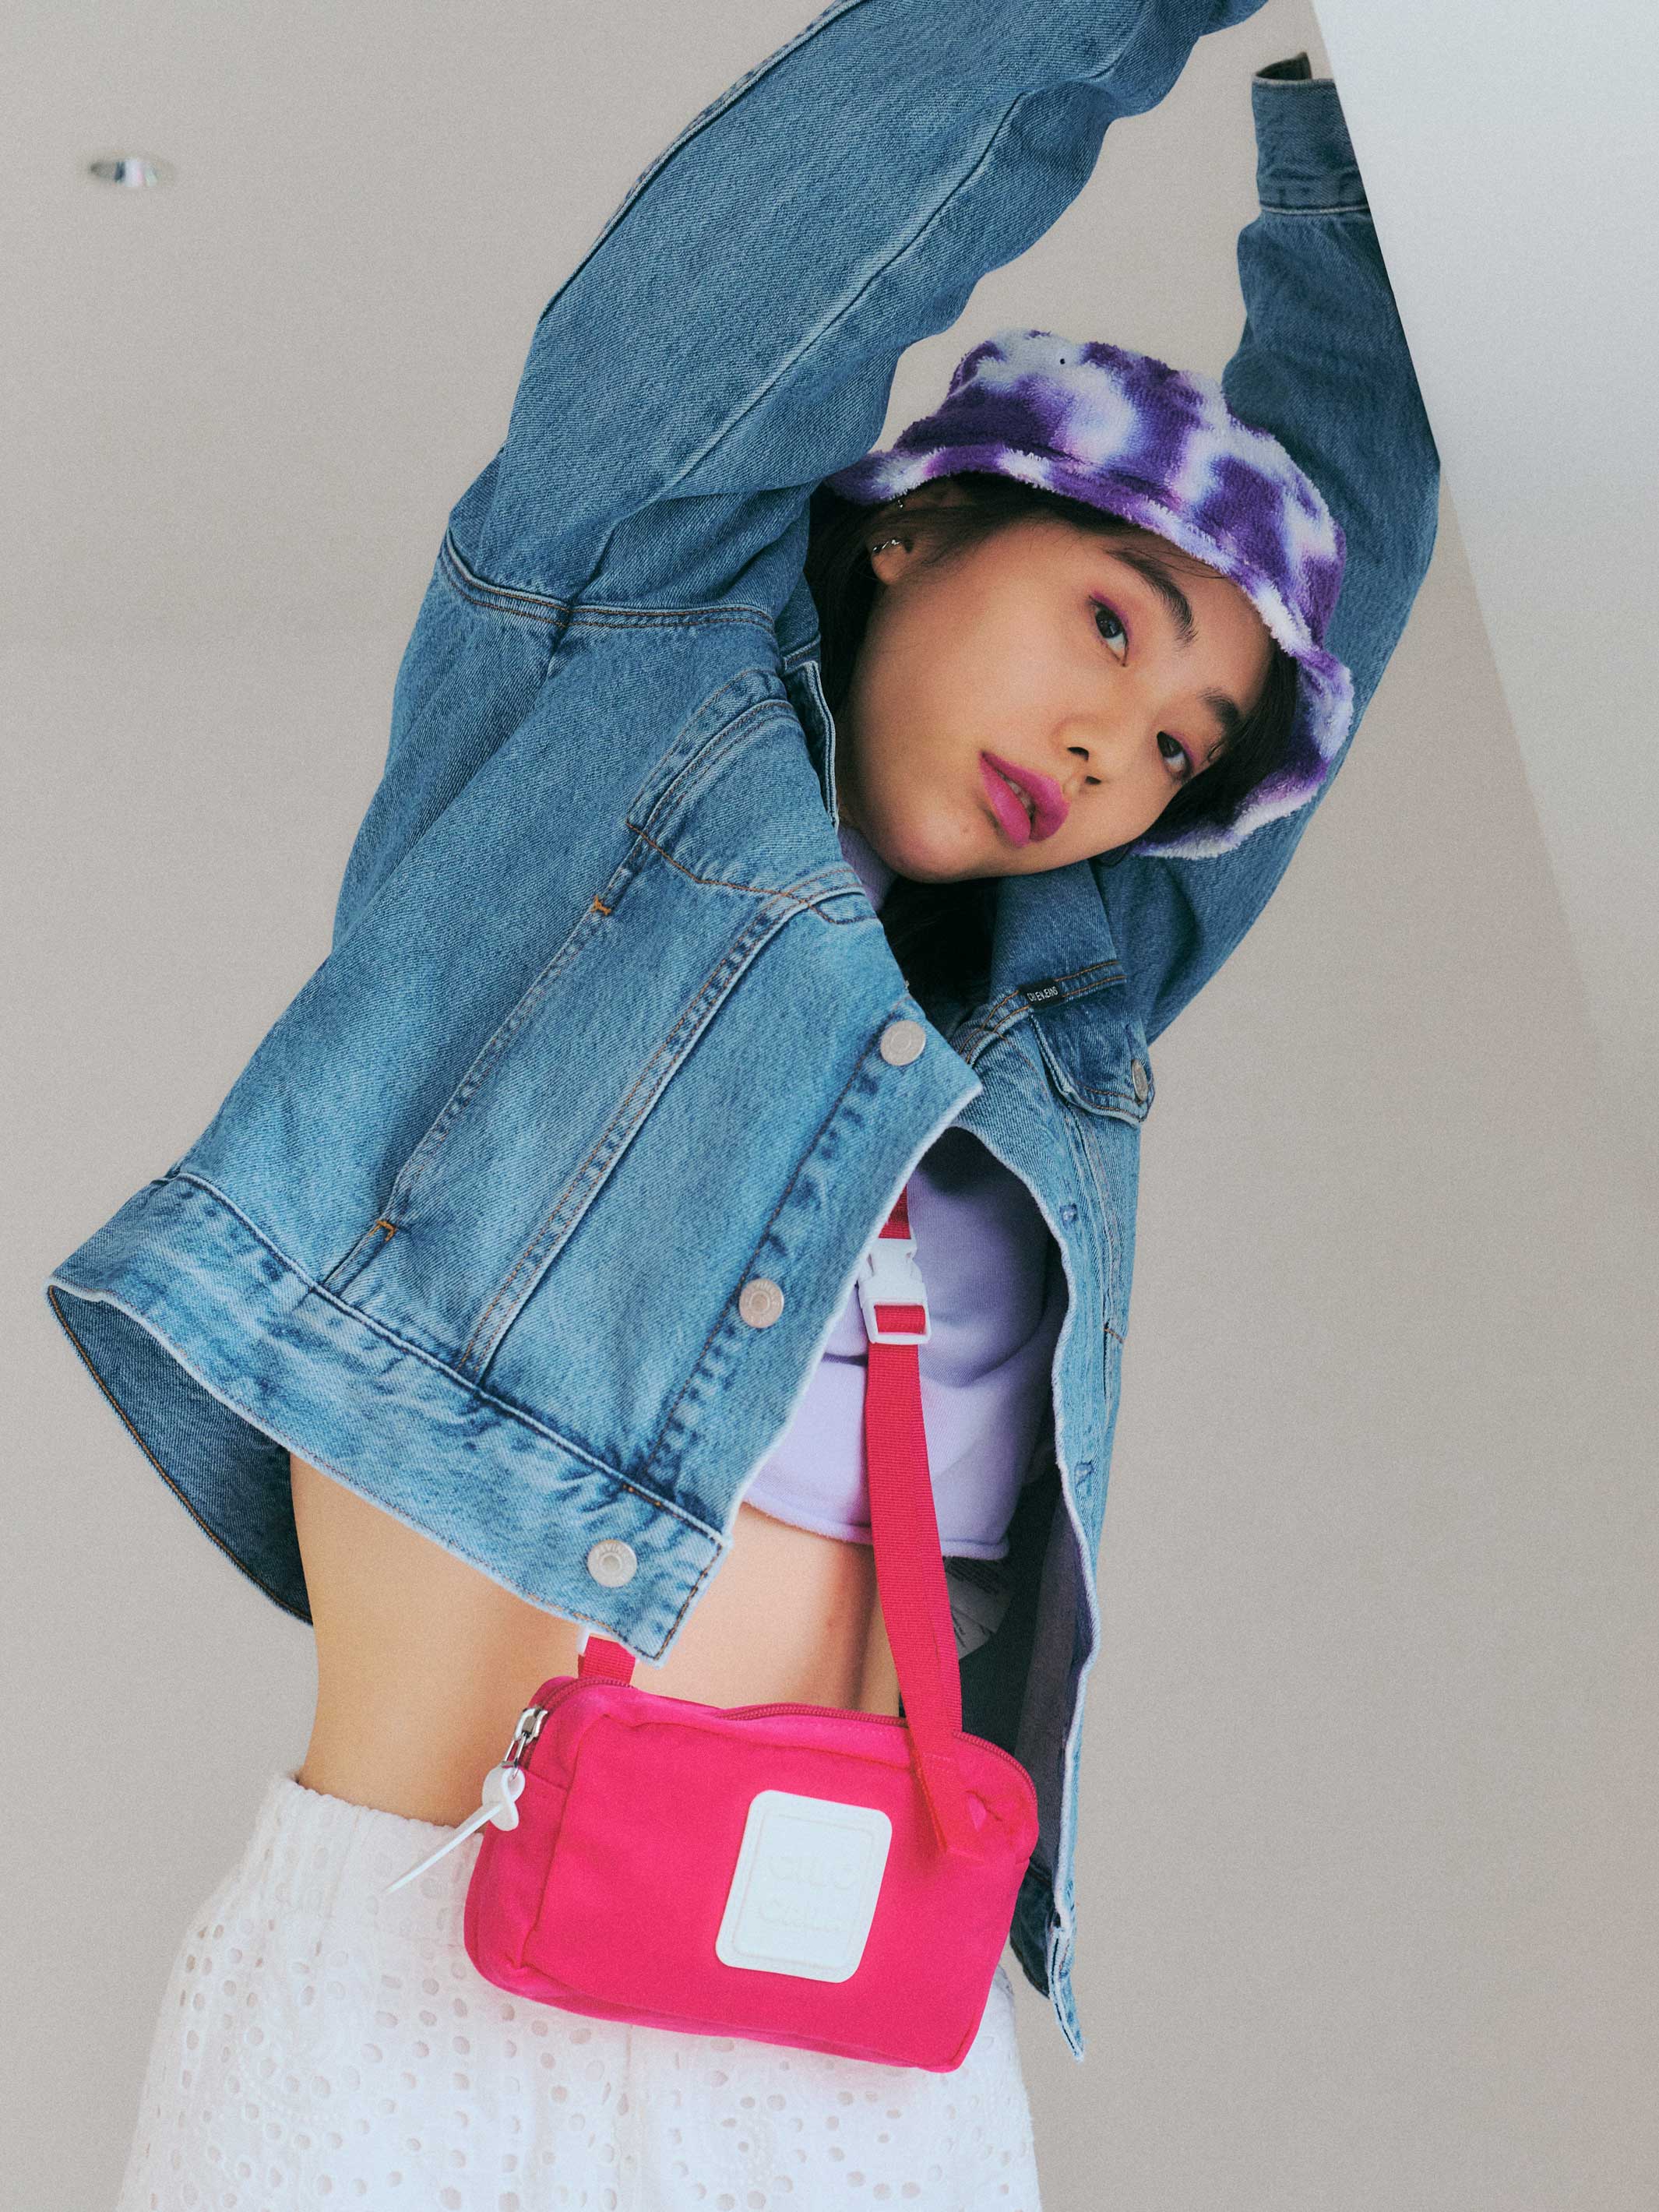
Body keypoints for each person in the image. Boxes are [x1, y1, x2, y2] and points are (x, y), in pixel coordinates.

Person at [44, 4, 1439, 2204]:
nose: (1117, 748)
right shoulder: (606, 701)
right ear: (911, 530)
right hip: (413, 1992)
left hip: (859, 2059)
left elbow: (1360, 500)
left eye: (1182, 747)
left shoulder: (1069, 993)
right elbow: (799, 222)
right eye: (1108, 619)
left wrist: (1384, 142)